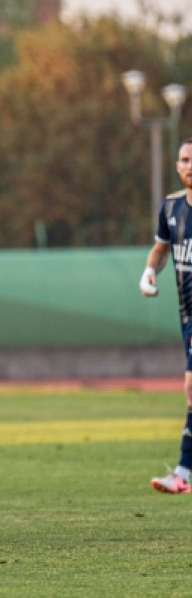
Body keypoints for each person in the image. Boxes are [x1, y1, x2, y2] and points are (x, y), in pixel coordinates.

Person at [140, 137, 192, 495]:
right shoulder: (171, 207)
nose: (190, 165)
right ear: (177, 166)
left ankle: (183, 473)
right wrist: (149, 271)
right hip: (186, 315)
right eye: (185, 159)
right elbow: (160, 249)